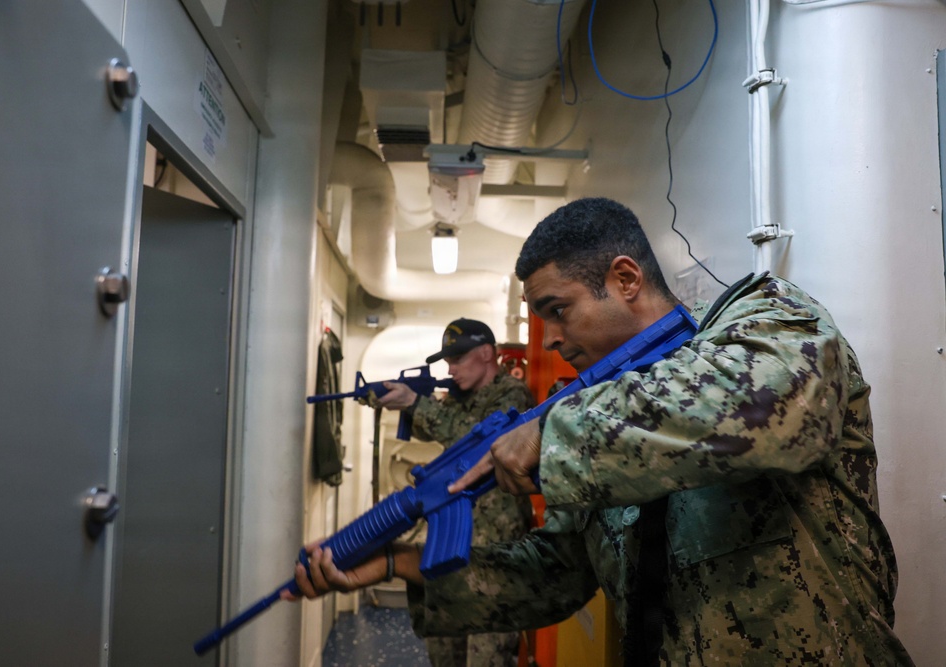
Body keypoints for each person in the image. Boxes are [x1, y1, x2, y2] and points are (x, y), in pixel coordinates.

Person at [285, 198, 914, 666]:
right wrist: (399, 563)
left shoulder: (769, 321)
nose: (551, 339)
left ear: (625, 279)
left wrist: (554, 431)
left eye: (559, 310)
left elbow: (776, 410)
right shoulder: (589, 411)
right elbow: (552, 575)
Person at [374, 318, 536, 667]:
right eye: (448, 360)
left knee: (487, 655)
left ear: (487, 353)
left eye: (459, 358)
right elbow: (435, 427)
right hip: (452, 549)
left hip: (496, 550)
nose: (452, 368)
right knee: (444, 650)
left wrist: (416, 404)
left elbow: (471, 443)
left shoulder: (512, 395)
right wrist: (388, 400)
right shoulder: (458, 400)